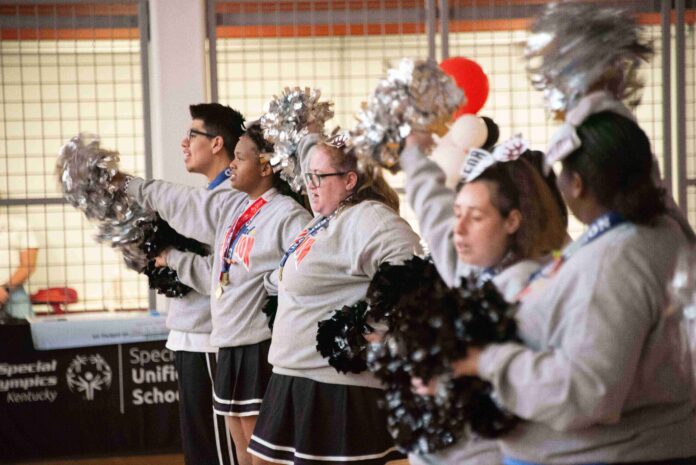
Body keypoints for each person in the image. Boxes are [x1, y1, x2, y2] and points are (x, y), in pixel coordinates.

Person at [445, 111, 696, 465]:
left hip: (613, 453)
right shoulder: (665, 231)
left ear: (576, 184)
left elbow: (586, 390)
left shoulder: (615, 258)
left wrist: (485, 361)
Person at [124, 120, 312, 465]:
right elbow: (185, 208)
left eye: (239, 158)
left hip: (259, 345)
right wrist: (129, 186)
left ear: (266, 166)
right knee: (240, 445)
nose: (231, 165)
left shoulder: (289, 215)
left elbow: (305, 273)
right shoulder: (235, 207)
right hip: (226, 340)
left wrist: (271, 283)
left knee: (264, 453)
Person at [247, 134, 421, 465]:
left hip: (334, 387)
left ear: (349, 180)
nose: (310, 185)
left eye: (320, 177)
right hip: (290, 375)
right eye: (307, 177)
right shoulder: (321, 222)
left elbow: (410, 268)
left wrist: (372, 329)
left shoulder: (368, 216)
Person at [401, 131, 567, 465]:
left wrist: (443, 380)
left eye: (475, 217)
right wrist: (413, 153)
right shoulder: (470, 267)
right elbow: (434, 211)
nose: (458, 229)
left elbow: (528, 387)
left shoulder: (534, 290)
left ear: (512, 221)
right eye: (457, 211)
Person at [152, 103, 243, 465]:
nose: (184, 142)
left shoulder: (232, 199)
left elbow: (221, 274)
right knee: (199, 447)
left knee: (218, 449)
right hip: (190, 336)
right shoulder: (206, 197)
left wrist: (172, 256)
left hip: (210, 338)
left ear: (218, 142)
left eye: (193, 134)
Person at [0, 209, 39, 319]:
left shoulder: (19, 224)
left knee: (27, 332)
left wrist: (5, 289)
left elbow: (29, 265)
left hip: (13, 290)